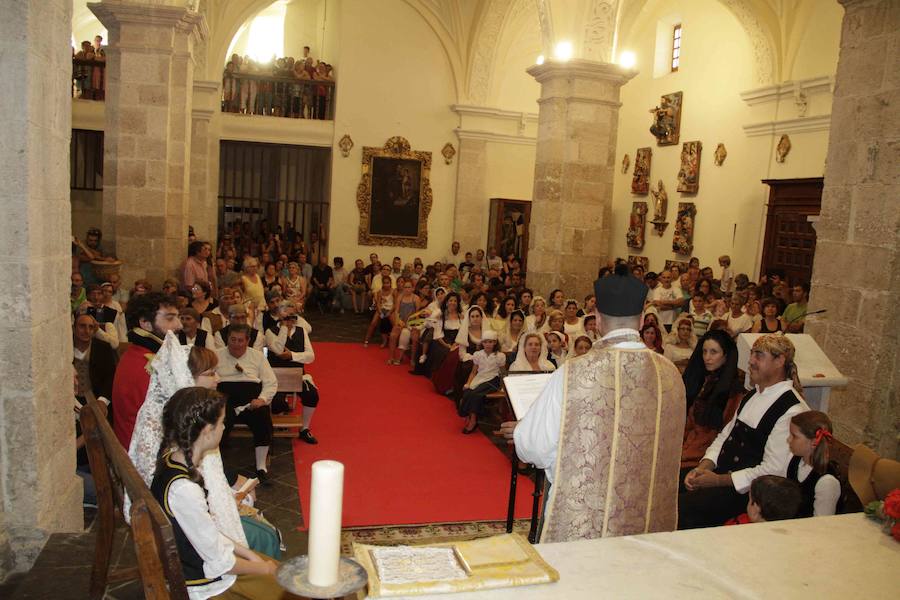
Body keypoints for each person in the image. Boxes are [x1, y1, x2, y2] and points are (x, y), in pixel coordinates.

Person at [499, 263, 686, 541]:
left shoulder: (575, 373)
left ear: (597, 318)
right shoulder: (670, 375)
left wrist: (521, 431)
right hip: (649, 525)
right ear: (642, 319)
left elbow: (536, 449)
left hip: (584, 525)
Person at [150, 387, 300, 599]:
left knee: (284, 573)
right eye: (221, 423)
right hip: (205, 585)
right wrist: (265, 569)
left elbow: (205, 532)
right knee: (293, 589)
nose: (224, 428)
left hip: (207, 566)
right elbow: (220, 563)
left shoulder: (170, 459)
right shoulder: (184, 489)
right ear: (207, 431)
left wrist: (248, 554)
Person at [679, 334, 809, 529]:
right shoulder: (753, 395)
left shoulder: (791, 409)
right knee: (668, 485)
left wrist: (718, 481)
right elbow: (725, 436)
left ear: (779, 360)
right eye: (751, 355)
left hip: (747, 494)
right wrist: (704, 467)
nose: (750, 361)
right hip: (719, 475)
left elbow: (773, 471)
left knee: (681, 509)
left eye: (758, 355)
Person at [111, 292, 182, 449]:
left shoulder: (138, 354)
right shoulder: (148, 366)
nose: (179, 325)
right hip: (144, 461)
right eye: (170, 318)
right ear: (145, 323)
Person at [680, 330, 746, 481]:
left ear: (726, 356)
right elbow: (688, 423)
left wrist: (686, 456)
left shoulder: (733, 392)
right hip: (687, 449)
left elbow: (722, 435)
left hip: (705, 459)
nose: (707, 358)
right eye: (704, 352)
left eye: (713, 352)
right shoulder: (703, 381)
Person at [216, 324, 278, 481]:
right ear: (227, 339)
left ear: (248, 340)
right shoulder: (216, 356)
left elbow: (271, 382)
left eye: (240, 340)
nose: (236, 344)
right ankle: (218, 465)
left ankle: (261, 467)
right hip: (225, 401)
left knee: (262, 418)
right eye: (233, 340)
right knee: (217, 421)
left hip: (252, 401)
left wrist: (262, 399)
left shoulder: (257, 356)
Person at [265, 301, 320, 445]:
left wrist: (293, 356)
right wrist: (284, 328)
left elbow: (310, 356)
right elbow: (277, 349)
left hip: (297, 374)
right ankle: (278, 417)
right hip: (276, 375)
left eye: (292, 315)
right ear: (280, 315)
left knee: (312, 395)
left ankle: (304, 429)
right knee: (277, 403)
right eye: (287, 315)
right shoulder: (270, 331)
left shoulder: (301, 331)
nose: (290, 318)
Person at [786, 410, 841, 517]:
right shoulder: (796, 461)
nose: (788, 440)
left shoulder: (826, 482)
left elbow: (821, 524)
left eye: (794, 436)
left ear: (813, 442)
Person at [458, 330, 506, 434]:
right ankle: (471, 416)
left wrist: (503, 387)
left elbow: (503, 373)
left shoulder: (500, 356)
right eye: (486, 342)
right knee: (469, 391)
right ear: (482, 343)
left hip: (493, 380)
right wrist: (468, 383)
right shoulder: (478, 354)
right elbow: (473, 372)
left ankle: (473, 420)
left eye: (491, 342)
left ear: (495, 343)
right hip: (480, 378)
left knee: (475, 394)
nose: (488, 344)